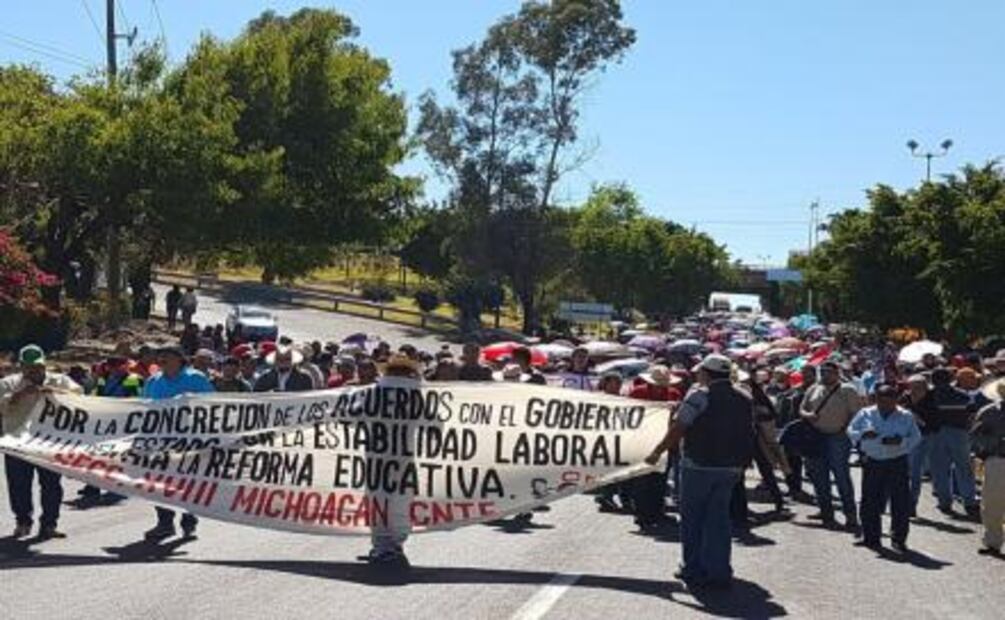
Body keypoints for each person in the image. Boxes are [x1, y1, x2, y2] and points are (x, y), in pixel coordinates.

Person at [645, 354, 754, 588]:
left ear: (707, 373)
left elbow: (680, 427)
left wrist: (657, 451)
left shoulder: (699, 396)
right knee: (719, 519)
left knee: (693, 518)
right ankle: (719, 570)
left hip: (700, 465)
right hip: (731, 467)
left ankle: (692, 568)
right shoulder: (744, 397)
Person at [0, 345, 83, 539]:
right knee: (19, 485)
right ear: (21, 366)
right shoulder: (8, 384)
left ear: (44, 365)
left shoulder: (59, 380)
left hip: (49, 444)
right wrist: (18, 395)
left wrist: (53, 392)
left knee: (52, 485)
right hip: (17, 443)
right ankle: (23, 521)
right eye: (29, 367)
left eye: (37, 367)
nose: (34, 371)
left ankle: (49, 524)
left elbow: (80, 398)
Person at [142, 345, 215, 540]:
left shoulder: (196, 378)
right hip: (160, 443)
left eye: (166, 356)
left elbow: (214, 405)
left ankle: (189, 521)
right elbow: (141, 410)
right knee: (158, 483)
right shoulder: (152, 381)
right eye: (159, 356)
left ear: (179, 359)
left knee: (187, 483)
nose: (161, 359)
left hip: (190, 442)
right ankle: (165, 523)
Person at [847, 384, 921, 551]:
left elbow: (916, 437)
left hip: (897, 461)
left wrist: (901, 442)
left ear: (896, 400)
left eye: (890, 401)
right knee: (869, 501)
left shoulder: (906, 416)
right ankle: (871, 537)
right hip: (873, 461)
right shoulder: (865, 413)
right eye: (882, 401)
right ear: (876, 399)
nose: (886, 405)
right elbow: (851, 430)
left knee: (900, 502)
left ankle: (898, 539)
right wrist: (862, 435)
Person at [367, 354, 423, 567]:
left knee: (379, 501)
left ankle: (383, 545)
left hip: (377, 458)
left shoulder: (372, 393)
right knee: (400, 500)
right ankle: (391, 544)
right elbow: (435, 423)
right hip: (402, 457)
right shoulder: (418, 395)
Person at [800, 360, 861, 529]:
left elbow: (856, 414)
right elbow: (802, 409)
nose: (825, 374)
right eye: (822, 371)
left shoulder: (847, 389)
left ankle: (850, 515)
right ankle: (826, 512)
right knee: (819, 478)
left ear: (836, 372)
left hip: (838, 438)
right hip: (816, 437)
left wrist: (844, 429)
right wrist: (808, 415)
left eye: (828, 371)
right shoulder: (813, 389)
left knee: (841, 477)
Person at [929, 367, 981, 517]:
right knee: (964, 468)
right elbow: (973, 415)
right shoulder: (963, 395)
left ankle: (944, 502)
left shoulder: (930, 396)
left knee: (940, 469)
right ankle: (969, 501)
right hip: (960, 433)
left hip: (937, 434)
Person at [971, 389, 1005, 556]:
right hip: (997, 459)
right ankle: (993, 541)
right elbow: (975, 436)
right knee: (992, 503)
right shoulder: (988, 412)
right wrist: (993, 441)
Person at [902, 374, 938, 516]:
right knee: (901, 472)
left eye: (919, 387)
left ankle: (911, 504)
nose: (915, 390)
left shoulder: (932, 400)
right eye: (912, 387)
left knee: (916, 472)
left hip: (925, 438)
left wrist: (919, 420)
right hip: (905, 439)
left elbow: (935, 425)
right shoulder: (904, 398)